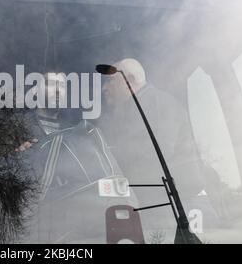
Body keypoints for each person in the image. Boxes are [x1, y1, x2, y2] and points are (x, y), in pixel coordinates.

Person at [100, 58, 217, 242]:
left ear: (129, 80)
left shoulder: (152, 107)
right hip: (169, 206)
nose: (104, 88)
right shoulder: (142, 106)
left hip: (174, 210)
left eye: (110, 80)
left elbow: (152, 161)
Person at [18, 72, 140, 243]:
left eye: (62, 85)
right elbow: (3, 174)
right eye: (51, 84)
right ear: (36, 91)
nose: (59, 90)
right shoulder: (16, 127)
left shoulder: (78, 132)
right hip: (34, 225)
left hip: (73, 227)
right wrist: (19, 155)